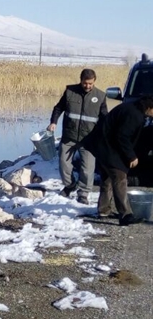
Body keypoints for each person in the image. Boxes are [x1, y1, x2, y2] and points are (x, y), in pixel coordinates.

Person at [85, 95, 153, 226]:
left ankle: (103, 210)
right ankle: (125, 215)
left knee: (107, 179)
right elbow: (123, 137)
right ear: (150, 107)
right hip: (108, 147)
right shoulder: (134, 115)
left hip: (101, 145)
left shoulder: (131, 108)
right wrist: (131, 156)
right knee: (120, 178)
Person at [47, 68, 107, 204]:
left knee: (87, 169)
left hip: (89, 140)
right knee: (64, 165)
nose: (88, 86)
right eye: (85, 83)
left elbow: (104, 119)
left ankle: (83, 194)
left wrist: (104, 135)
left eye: (90, 83)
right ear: (81, 81)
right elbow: (58, 108)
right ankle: (70, 185)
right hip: (69, 136)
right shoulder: (70, 92)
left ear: (94, 82)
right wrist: (53, 122)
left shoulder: (101, 97)